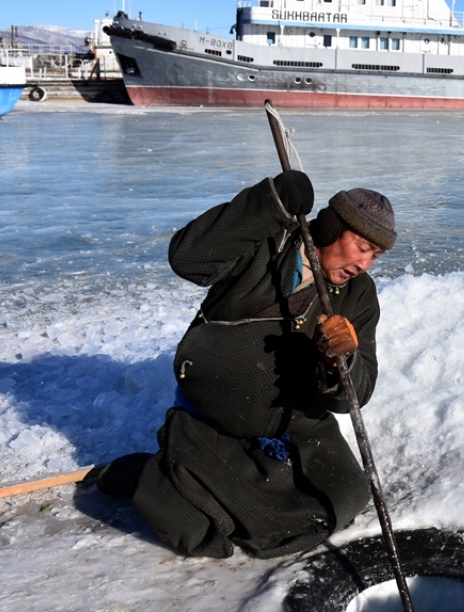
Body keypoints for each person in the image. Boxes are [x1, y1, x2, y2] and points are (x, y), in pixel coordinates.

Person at [105, 170, 396, 559]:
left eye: (374, 255)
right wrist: (268, 202)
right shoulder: (266, 243)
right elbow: (187, 259)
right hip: (213, 426)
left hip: (292, 432)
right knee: (196, 531)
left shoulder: (359, 295)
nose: (364, 263)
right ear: (329, 228)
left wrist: (340, 359)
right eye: (361, 246)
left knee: (345, 497)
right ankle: (154, 474)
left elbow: (357, 395)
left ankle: (222, 489)